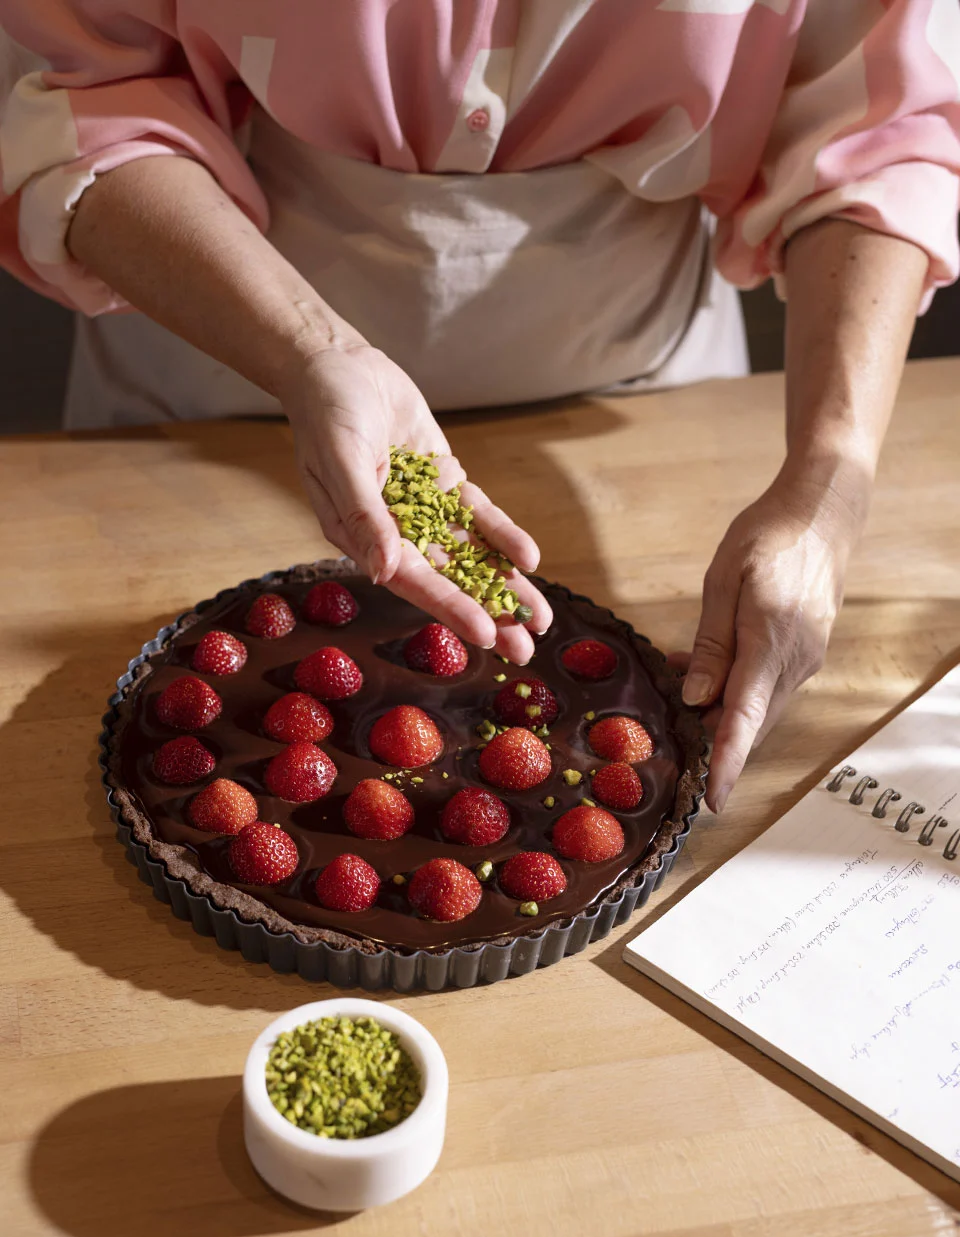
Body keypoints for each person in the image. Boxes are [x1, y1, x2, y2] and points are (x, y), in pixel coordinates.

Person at [1, 2, 958, 813]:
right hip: (219, 350)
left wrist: (830, 476)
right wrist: (310, 352)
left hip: (641, 406)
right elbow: (88, 92)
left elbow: (877, 131)